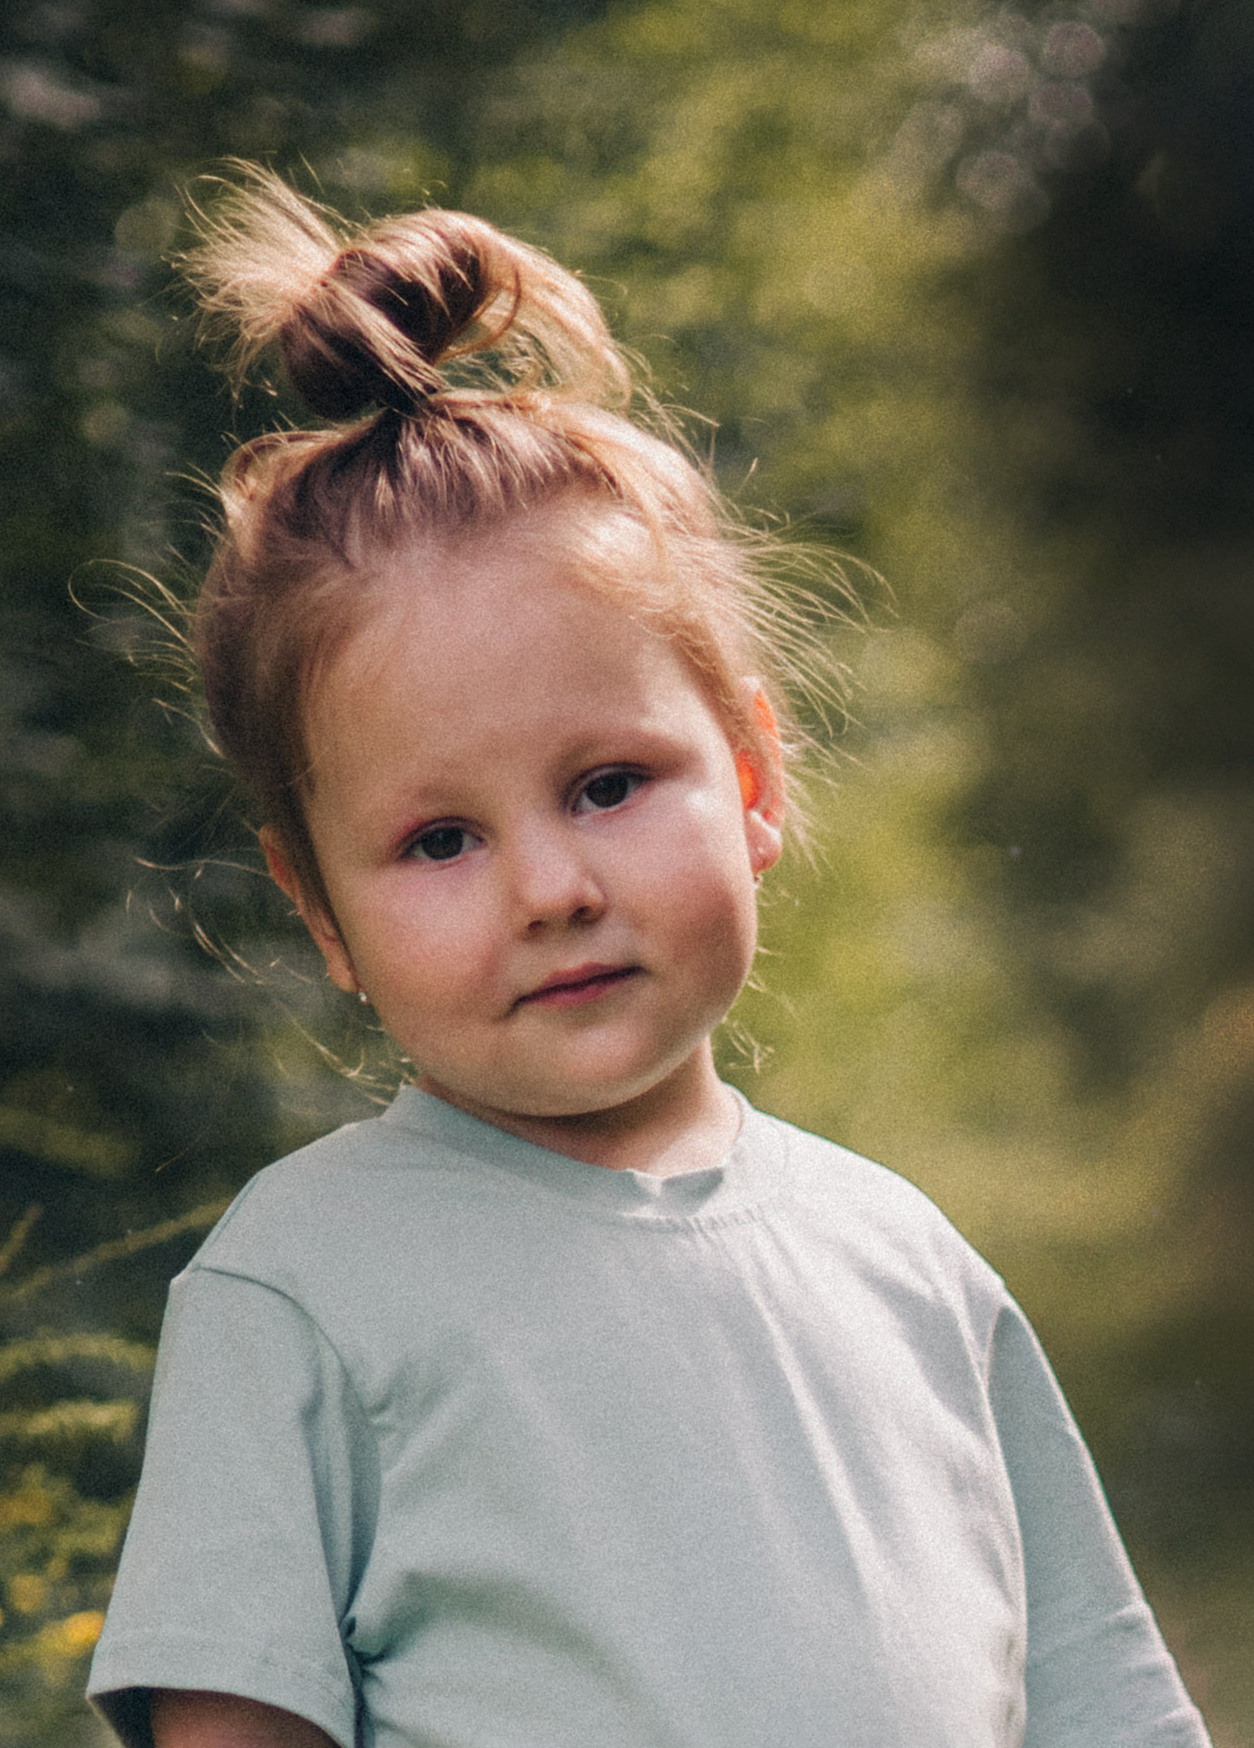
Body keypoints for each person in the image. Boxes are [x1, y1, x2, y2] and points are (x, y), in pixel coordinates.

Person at [87, 167, 1210, 1748]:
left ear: (750, 782)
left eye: (608, 786)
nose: (550, 887)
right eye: (438, 841)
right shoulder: (303, 1290)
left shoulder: (904, 1262)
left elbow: (1100, 1712)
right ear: (320, 912)